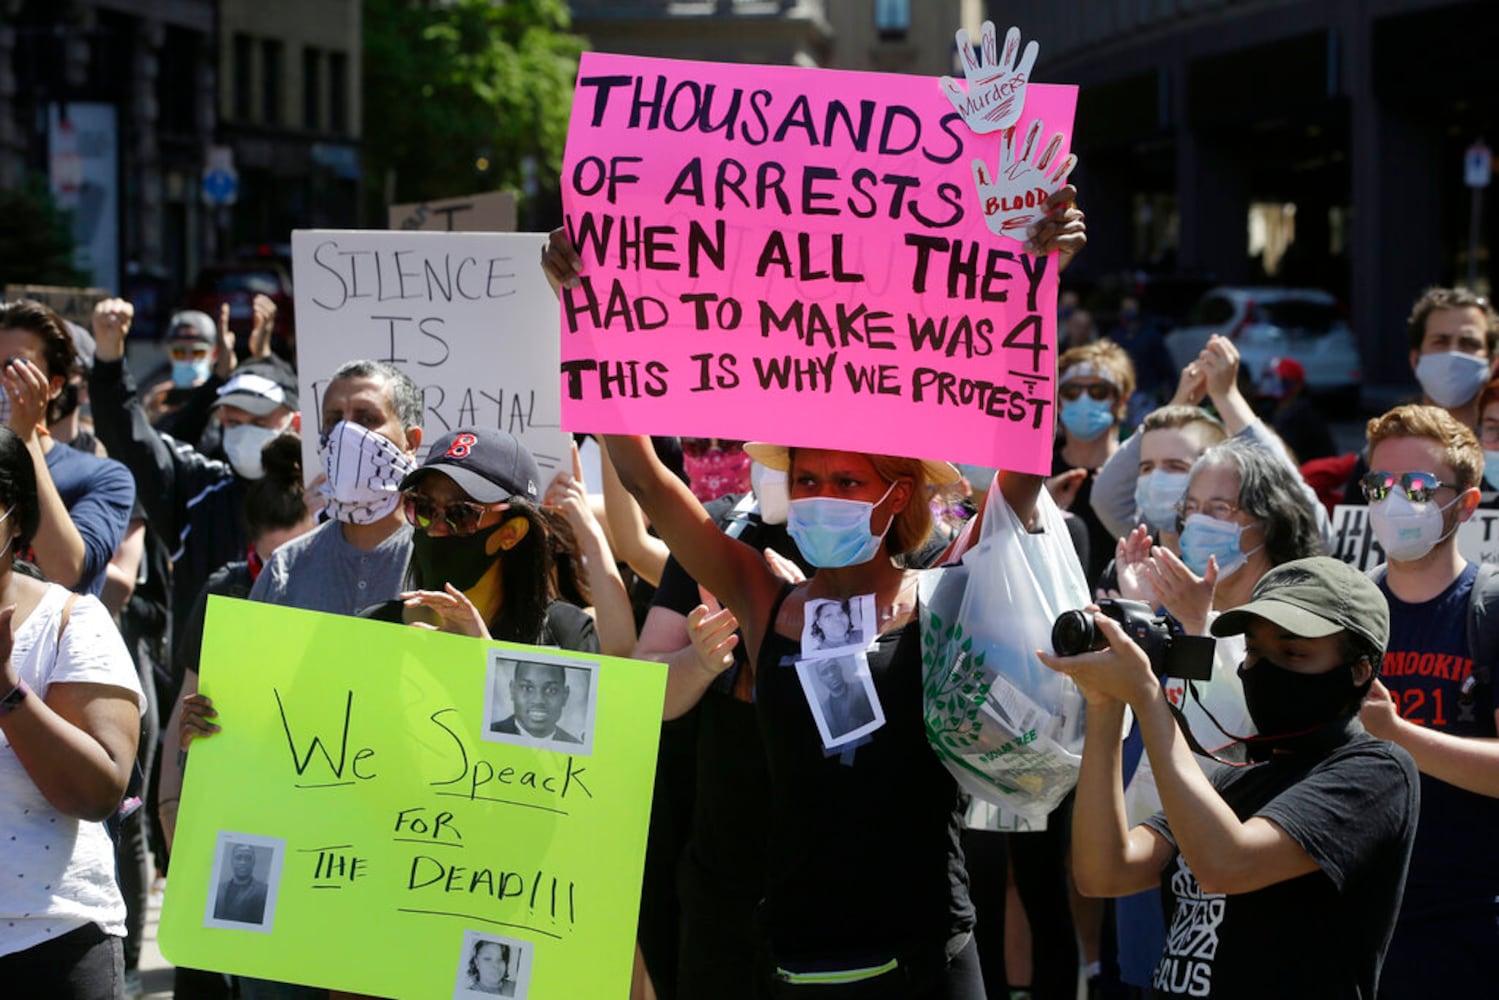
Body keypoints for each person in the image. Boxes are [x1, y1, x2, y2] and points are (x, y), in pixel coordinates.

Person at [1043, 556, 1419, 998]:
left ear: (1360, 670)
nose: (1264, 668)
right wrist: (1107, 705)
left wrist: (1148, 697)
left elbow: (1227, 864)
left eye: (1294, 652)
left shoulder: (1377, 771)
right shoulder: (1233, 776)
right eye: (1255, 651)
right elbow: (1104, 872)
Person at [1350, 404, 1499, 997]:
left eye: (1417, 487)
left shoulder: (1487, 611)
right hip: (1359, 917)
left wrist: (1400, 734)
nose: (1393, 502)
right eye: (1380, 485)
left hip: (1468, 922)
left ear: (1465, 504)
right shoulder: (1348, 613)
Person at [0, 425, 144, 996]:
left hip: (51, 943)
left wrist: (7, 690)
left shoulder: (70, 623)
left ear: (14, 516)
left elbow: (99, 789)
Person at [89, 297, 299, 655]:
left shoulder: (328, 503)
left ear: (295, 423)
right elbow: (133, 440)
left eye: (259, 422)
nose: (243, 433)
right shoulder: (199, 490)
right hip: (205, 697)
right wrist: (109, 363)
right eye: (233, 422)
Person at [249, 360, 422, 615]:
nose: (345, 433)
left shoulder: (440, 565)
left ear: (410, 441)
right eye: (334, 420)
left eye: (366, 418)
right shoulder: (285, 569)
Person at [0, 299, 135, 597]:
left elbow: (66, 573)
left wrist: (24, 438)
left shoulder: (103, 477)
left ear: (54, 386)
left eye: (14, 367)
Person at [1048, 339, 1136, 589]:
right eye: (1072, 392)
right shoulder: (1035, 475)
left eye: (1098, 391)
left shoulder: (1140, 473)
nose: (1084, 400)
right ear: (1059, 400)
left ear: (1121, 400)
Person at [1256, 356, 1336, 462]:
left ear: (1298, 385)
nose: (1272, 384)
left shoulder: (1302, 415)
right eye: (1269, 378)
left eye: (1280, 379)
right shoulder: (1271, 408)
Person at [491, 661, 581, 742]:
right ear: (512, 690)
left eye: (551, 690)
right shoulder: (489, 733)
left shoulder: (575, 745)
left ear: (565, 696)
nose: (538, 700)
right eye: (527, 688)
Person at [811, 656, 875, 738]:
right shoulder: (823, 710)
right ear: (820, 679)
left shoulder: (863, 688)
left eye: (833, 668)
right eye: (825, 672)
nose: (831, 675)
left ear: (840, 669)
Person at [213, 843, 269, 924]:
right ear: (232, 861)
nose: (243, 862)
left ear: (253, 862)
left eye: (248, 858)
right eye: (238, 857)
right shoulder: (218, 889)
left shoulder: (264, 892)